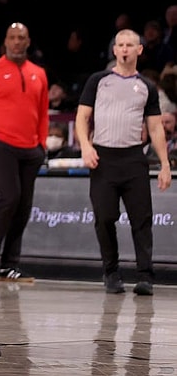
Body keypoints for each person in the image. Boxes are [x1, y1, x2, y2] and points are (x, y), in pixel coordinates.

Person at [75, 29, 172, 296]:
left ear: (139, 50)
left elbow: (155, 128)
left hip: (133, 159)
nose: (125, 49)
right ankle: (111, 271)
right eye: (121, 44)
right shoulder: (99, 80)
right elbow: (82, 118)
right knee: (104, 218)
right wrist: (85, 146)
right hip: (103, 159)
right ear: (115, 50)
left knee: (142, 219)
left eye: (130, 45)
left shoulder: (147, 87)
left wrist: (164, 164)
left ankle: (145, 276)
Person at [0, 22, 49, 281]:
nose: (16, 42)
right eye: (12, 37)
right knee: (9, 198)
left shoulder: (39, 74)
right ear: (5, 41)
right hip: (1, 146)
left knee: (24, 206)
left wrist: (42, 144)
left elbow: (43, 112)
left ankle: (11, 262)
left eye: (21, 38)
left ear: (28, 42)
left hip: (31, 149)